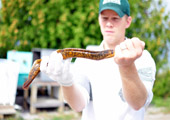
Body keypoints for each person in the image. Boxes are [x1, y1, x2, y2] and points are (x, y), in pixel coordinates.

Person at [40, 0, 156, 119]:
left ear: (127, 21)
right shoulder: (85, 58)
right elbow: (78, 105)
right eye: (104, 18)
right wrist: (66, 83)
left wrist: (127, 65)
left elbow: (138, 103)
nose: (109, 24)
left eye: (115, 18)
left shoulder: (142, 57)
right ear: (99, 19)